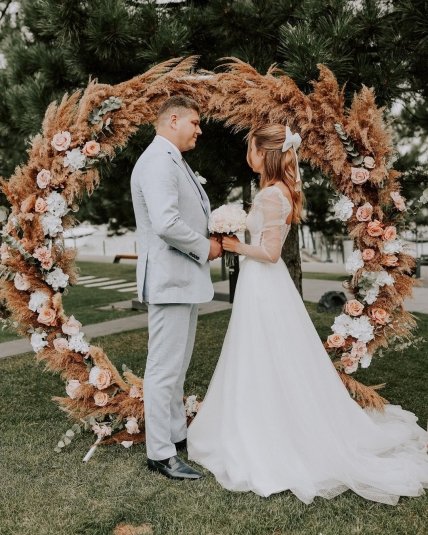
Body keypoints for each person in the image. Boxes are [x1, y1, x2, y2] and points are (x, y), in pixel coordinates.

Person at [187, 124, 428, 504]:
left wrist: (235, 245)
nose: (248, 156)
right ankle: (268, 417)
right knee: (269, 353)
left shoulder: (271, 195)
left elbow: (269, 253)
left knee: (263, 351)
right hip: (264, 283)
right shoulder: (280, 190)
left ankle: (268, 429)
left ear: (265, 154)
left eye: (252, 149)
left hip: (263, 280)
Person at [131, 95, 222, 480]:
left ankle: (175, 433)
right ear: (173, 120)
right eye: (195, 123)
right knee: (163, 369)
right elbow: (166, 223)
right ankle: (160, 453)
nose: (199, 130)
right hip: (169, 280)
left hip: (182, 280)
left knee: (177, 366)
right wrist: (206, 247)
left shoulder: (173, 159)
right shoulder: (157, 161)